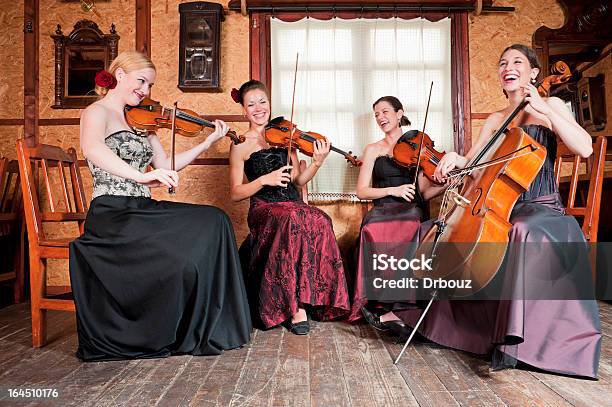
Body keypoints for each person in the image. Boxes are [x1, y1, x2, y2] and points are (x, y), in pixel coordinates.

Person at [397, 44, 601, 378]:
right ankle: (443, 326)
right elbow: (473, 165)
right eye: (502, 62)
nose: (508, 66)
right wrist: (455, 163)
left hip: (540, 206)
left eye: (517, 62)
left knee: (519, 230)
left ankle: (515, 342)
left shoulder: (549, 104)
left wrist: (547, 112)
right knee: (435, 229)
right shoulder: (495, 119)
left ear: (534, 72)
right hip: (497, 204)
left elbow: (585, 147)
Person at [69, 50, 252, 361]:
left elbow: (167, 164)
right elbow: (93, 149)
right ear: (121, 75)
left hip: (142, 210)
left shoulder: (143, 121)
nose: (146, 91)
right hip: (113, 213)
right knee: (195, 237)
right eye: (142, 82)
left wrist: (207, 142)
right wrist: (140, 178)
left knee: (215, 220)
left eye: (150, 85)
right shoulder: (96, 112)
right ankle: (154, 327)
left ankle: (208, 325)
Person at [229, 80, 350, 335]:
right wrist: (264, 180)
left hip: (292, 204)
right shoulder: (240, 144)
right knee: (292, 218)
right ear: (243, 110)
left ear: (270, 103)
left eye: (262, 101)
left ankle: (316, 297)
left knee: (320, 219)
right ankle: (295, 309)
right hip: (264, 207)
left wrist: (317, 162)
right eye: (251, 104)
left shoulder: (285, 136)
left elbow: (298, 180)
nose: (258, 108)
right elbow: (235, 192)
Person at [352, 96, 443, 335]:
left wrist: (448, 182)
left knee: (413, 222)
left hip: (411, 208)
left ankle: (403, 308)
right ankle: (381, 303)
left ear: (399, 113)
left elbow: (424, 191)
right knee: (372, 227)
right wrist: (393, 190)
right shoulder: (373, 149)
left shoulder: (418, 146)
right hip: (382, 208)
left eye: (385, 112)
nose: (380, 118)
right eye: (376, 115)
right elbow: (362, 191)